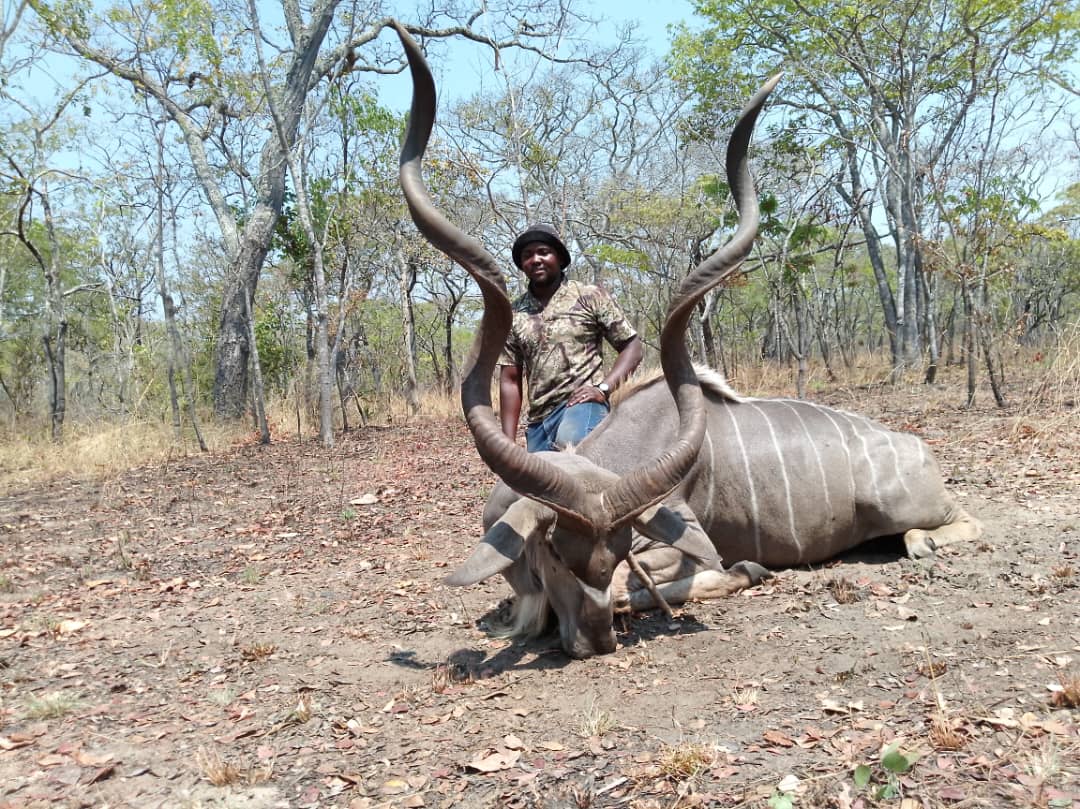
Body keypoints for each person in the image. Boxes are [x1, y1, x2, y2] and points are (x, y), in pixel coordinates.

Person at [498, 224, 643, 452]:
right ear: (522, 265)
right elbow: (509, 379)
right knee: (539, 486)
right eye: (528, 256)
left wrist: (603, 388)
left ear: (559, 258)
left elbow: (632, 347)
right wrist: (505, 444)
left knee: (573, 461)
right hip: (538, 422)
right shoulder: (513, 314)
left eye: (543, 252)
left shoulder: (590, 296)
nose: (535, 260)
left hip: (582, 407)